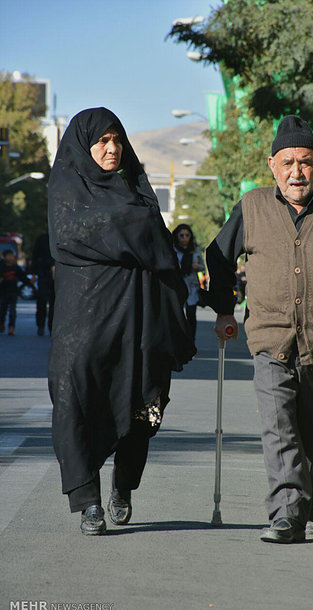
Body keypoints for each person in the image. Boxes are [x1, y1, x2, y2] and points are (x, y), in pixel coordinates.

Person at [206, 115, 313, 544]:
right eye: (287, 163)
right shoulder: (252, 207)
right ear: (272, 165)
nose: (296, 172)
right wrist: (226, 309)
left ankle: (304, 503)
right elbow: (219, 258)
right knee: (280, 428)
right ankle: (286, 513)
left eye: (304, 162)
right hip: (270, 339)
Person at [48, 107, 195, 536]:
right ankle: (87, 499)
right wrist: (132, 229)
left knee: (139, 400)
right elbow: (69, 236)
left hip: (139, 319)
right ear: (84, 147)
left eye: (118, 140)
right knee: (74, 395)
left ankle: (123, 488)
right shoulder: (65, 189)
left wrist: (128, 229)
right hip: (83, 321)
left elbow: (159, 244)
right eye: (102, 142)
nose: (112, 150)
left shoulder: (137, 187)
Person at [172, 224, 205, 342]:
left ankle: (191, 341)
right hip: (177, 285)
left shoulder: (195, 250)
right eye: (181, 235)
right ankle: (178, 341)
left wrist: (197, 267)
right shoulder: (173, 250)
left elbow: (203, 267)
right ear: (177, 236)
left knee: (191, 314)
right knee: (177, 315)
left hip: (192, 286)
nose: (184, 238)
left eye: (187, 235)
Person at [0, 250, 33, 336]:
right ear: (4, 257)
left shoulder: (16, 267)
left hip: (13, 292)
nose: (10, 258)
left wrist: (29, 282)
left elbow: (22, 277)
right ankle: (1, 323)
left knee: (12, 311)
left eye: (11, 256)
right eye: (8, 256)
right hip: (3, 292)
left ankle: (11, 327)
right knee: (2, 310)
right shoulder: (2, 267)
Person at [31, 232, 55, 335]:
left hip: (55, 275)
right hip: (43, 274)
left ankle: (51, 327)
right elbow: (35, 256)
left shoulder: (59, 236)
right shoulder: (42, 238)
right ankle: (41, 325)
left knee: (53, 303)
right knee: (42, 301)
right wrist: (33, 273)